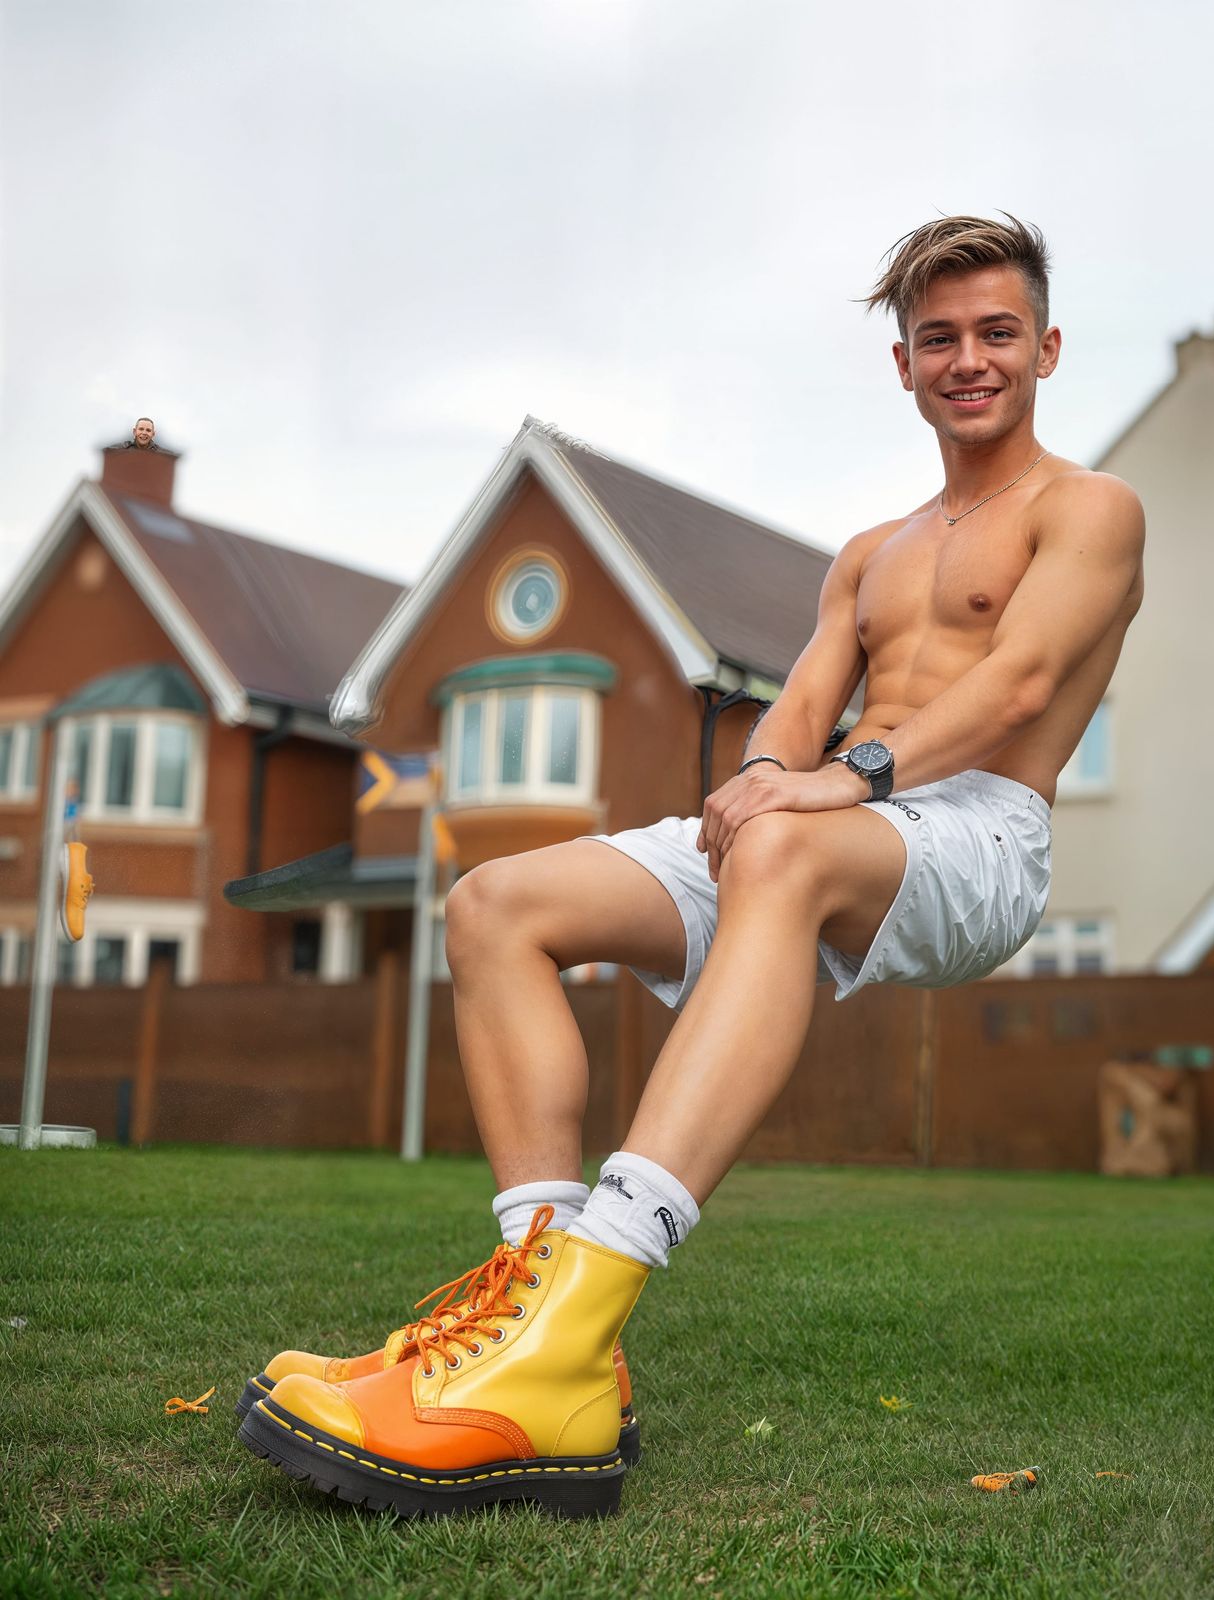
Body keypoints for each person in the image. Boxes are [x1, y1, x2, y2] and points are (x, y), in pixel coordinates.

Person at [237, 213, 1147, 1519]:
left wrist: (839, 780)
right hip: (826, 823)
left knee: (782, 841)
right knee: (496, 905)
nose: (970, 360)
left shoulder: (1092, 509)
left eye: (998, 333)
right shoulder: (871, 553)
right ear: (902, 364)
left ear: (1045, 349)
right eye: (939, 338)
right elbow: (800, 706)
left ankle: (568, 1325)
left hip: (980, 836)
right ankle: (542, 1328)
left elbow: (1024, 682)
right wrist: (769, 774)